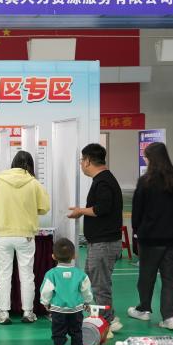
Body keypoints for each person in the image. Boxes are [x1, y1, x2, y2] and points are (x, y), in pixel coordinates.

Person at [0, 150, 50, 324]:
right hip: (25, 234)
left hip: (2, 234)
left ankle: (3, 313)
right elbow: (44, 208)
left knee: (3, 275)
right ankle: (28, 313)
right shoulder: (34, 183)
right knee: (27, 274)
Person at [127, 141, 173, 332]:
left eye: (146, 157)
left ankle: (144, 309)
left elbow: (137, 210)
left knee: (146, 276)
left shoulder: (146, 181)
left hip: (150, 239)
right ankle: (170, 317)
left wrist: (137, 230)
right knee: (170, 279)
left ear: (151, 159)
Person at [68, 143, 124, 333]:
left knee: (100, 285)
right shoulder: (103, 180)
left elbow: (102, 208)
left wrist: (80, 211)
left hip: (104, 243)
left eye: (81, 160)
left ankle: (107, 321)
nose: (81, 164)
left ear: (88, 161)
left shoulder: (103, 181)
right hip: (101, 242)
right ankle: (108, 316)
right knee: (94, 280)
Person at [39, 238, 93, 345]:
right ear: (74, 256)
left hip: (58, 310)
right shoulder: (80, 274)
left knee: (58, 331)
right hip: (76, 309)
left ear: (53, 256)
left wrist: (45, 302)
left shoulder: (51, 274)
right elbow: (86, 290)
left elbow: (46, 291)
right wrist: (87, 302)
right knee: (77, 330)